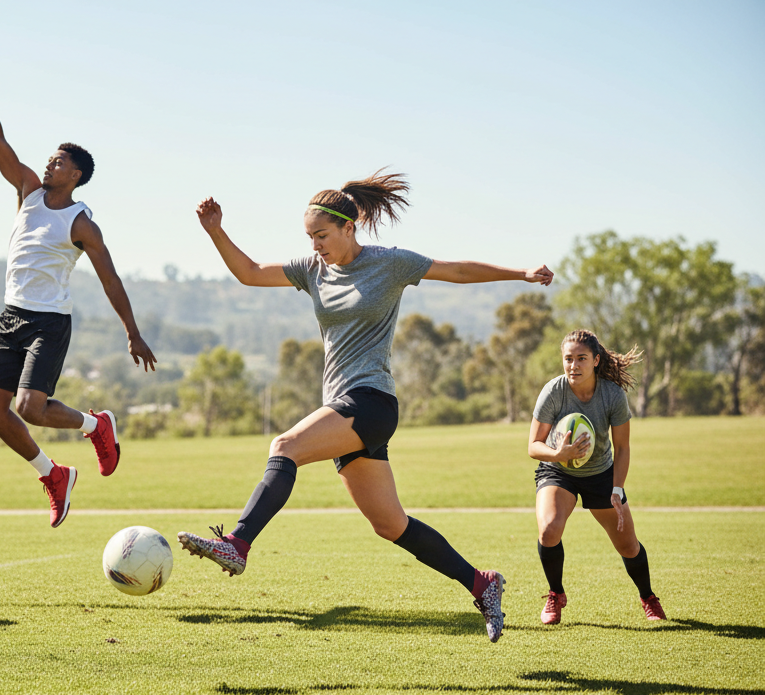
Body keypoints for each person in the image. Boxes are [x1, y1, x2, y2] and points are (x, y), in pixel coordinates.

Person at [178, 171, 554, 643]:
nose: (315, 245)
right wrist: (216, 231)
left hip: (372, 400)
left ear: (348, 228)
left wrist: (518, 273)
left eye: (322, 235)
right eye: (309, 237)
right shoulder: (313, 270)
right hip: (343, 406)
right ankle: (482, 583)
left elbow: (455, 270)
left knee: (285, 445)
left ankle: (237, 543)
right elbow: (251, 274)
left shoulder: (388, 264)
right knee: (390, 524)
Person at [0, 70, 157, 528]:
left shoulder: (81, 224)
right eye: (49, 159)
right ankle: (53, 474)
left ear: (75, 176)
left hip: (49, 321)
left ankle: (98, 426)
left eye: (58, 162)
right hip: (11, 315)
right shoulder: (28, 192)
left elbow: (111, 279)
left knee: (30, 408)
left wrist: (132, 333)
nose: (49, 165)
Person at [528, 329, 665, 624]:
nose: (573, 365)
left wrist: (617, 489)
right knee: (549, 529)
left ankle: (648, 597)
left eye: (581, 358)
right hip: (558, 470)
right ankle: (556, 595)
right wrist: (558, 455)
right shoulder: (553, 391)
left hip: (601, 473)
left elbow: (623, 448)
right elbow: (533, 446)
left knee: (628, 545)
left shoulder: (612, 395)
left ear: (595, 360)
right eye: (568, 359)